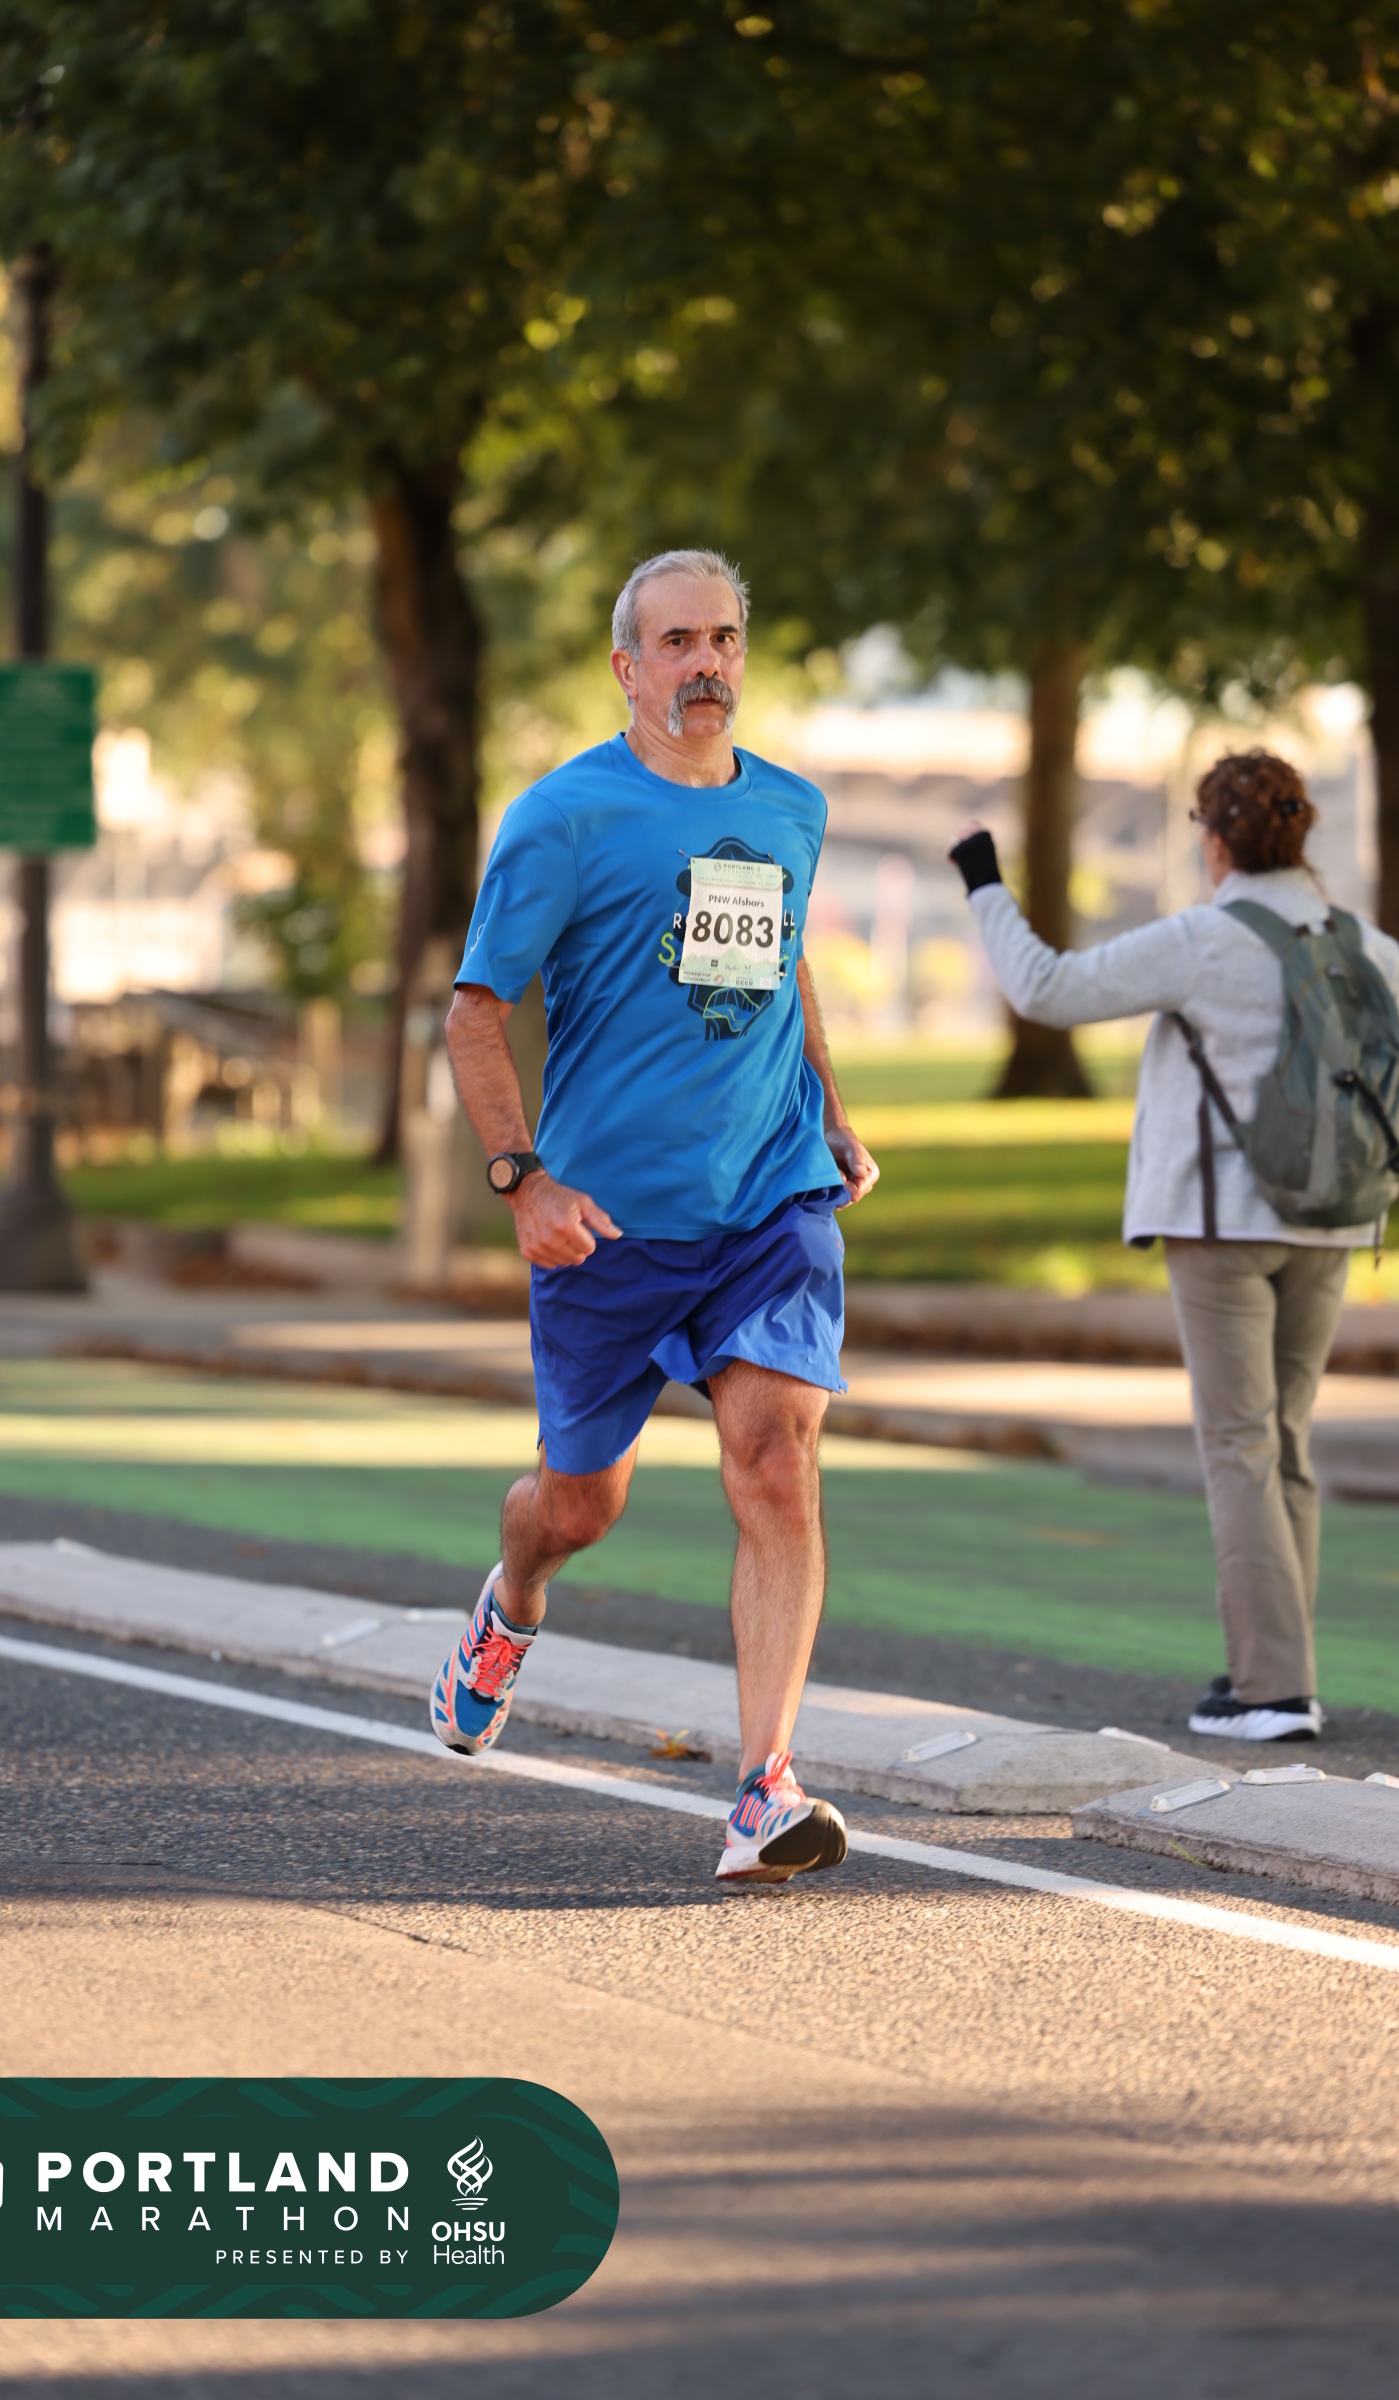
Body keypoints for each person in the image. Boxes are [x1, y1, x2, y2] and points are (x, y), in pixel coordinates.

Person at [429, 547, 880, 1882]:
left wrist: (830, 1109)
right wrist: (522, 1180)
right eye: (677, 643)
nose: (705, 664)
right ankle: (512, 1603)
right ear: (627, 668)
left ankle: (763, 1788)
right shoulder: (564, 818)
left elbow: (787, 961)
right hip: (610, 1228)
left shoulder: (791, 808)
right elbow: (475, 1012)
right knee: (577, 1506)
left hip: (768, 1200)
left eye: (724, 639)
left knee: (775, 1457)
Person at [950, 750, 1399, 1742]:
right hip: (1336, 1221)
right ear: (1299, 832)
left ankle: (1270, 1690)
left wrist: (985, 883)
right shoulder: (1369, 947)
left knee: (1239, 1443)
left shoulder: (1205, 940)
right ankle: (1278, 1665)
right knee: (1283, 1442)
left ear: (1214, 841)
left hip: (1221, 1224)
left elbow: (1045, 988)